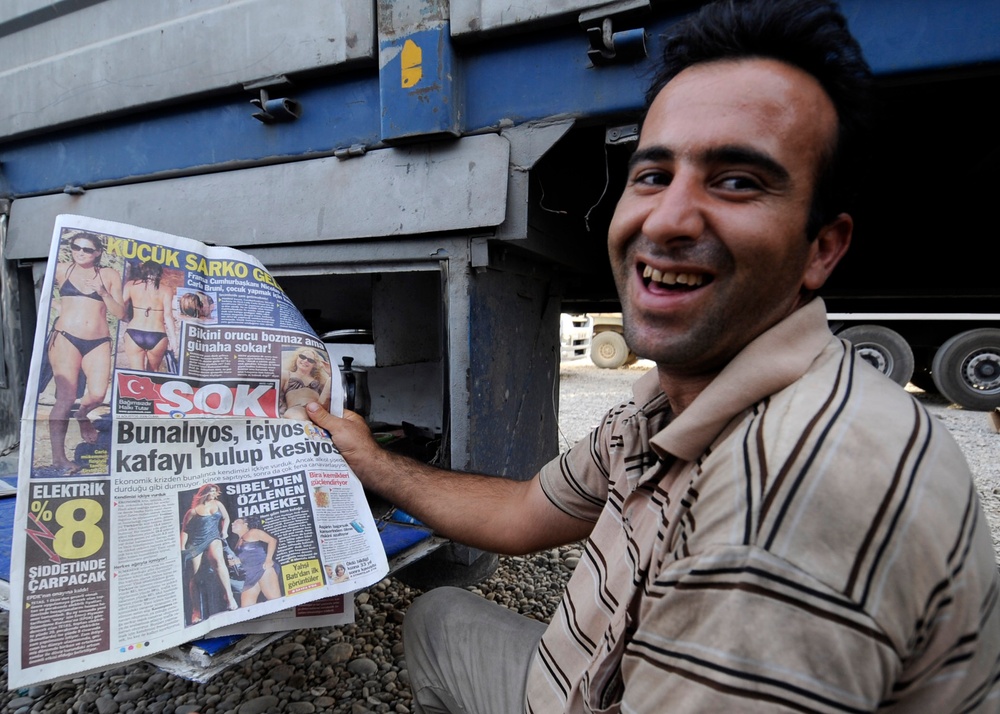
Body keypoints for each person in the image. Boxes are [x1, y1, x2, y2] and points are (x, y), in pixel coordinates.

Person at [307, 0, 1000, 711]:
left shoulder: (793, 492)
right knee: (437, 620)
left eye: (737, 181)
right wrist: (372, 460)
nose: (666, 219)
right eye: (652, 174)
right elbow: (521, 514)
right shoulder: (665, 405)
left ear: (821, 249)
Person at [47, 232, 124, 472]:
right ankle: (59, 458)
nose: (80, 252)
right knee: (65, 398)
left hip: (99, 341)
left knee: (99, 394)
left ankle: (82, 415)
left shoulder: (108, 275)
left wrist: (103, 292)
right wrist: (57, 308)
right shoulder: (61, 270)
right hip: (65, 338)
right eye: (76, 247)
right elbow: (42, 297)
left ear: (98, 252)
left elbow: (121, 313)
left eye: (87, 249)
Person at [181, 484, 240, 621]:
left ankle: (229, 597)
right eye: (212, 492)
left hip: (213, 536)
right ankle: (196, 611)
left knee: (218, 561)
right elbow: (185, 530)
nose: (214, 494)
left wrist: (224, 531)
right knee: (194, 576)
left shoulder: (218, 504)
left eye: (215, 492)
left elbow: (226, 518)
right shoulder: (193, 511)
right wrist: (182, 546)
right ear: (204, 493)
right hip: (196, 541)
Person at [122, 260, 179, 372]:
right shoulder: (166, 290)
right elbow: (168, 316)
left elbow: (119, 306)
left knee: (136, 374)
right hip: (157, 334)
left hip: (134, 332)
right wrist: (174, 340)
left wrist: (124, 318)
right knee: (152, 374)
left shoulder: (131, 285)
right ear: (159, 273)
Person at [230, 516, 282, 607]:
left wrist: (269, 560)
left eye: (236, 521)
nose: (232, 524)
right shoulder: (238, 542)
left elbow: (272, 540)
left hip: (262, 570)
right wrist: (236, 562)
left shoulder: (253, 532)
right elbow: (247, 557)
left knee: (276, 603)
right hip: (249, 577)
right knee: (246, 610)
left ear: (245, 524)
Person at [280, 346, 331, 421]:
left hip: (318, 410)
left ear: (314, 364)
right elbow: (275, 396)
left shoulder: (320, 380)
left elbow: (329, 399)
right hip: (297, 410)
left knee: (330, 381)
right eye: (302, 356)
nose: (305, 360)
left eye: (310, 360)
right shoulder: (286, 374)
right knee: (298, 415)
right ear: (296, 358)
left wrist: (330, 375)